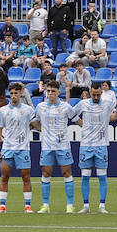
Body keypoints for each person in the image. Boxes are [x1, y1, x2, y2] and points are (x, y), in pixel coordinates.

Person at [73, 79, 117, 213]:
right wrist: (82, 125)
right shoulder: (83, 104)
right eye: (93, 94)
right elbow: (72, 114)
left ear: (101, 93)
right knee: (85, 176)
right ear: (89, 92)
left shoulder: (108, 103)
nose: (96, 97)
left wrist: (108, 120)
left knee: (102, 176)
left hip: (101, 145)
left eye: (98, 94)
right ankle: (86, 205)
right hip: (86, 145)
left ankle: (102, 206)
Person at [34, 78, 79, 213]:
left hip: (63, 146)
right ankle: (45, 205)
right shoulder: (40, 107)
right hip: (47, 146)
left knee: (67, 173)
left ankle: (70, 205)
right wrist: (42, 130)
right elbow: (35, 121)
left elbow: (77, 120)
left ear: (59, 92)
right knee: (46, 173)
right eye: (48, 91)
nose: (50, 93)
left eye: (53, 91)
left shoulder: (66, 107)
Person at [0, 81, 37, 212]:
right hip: (7, 148)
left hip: (23, 148)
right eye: (11, 93)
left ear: (20, 94)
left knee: (26, 177)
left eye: (16, 93)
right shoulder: (3, 110)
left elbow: (36, 125)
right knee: (4, 177)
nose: (13, 96)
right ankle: (2, 206)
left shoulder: (28, 110)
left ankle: (28, 206)